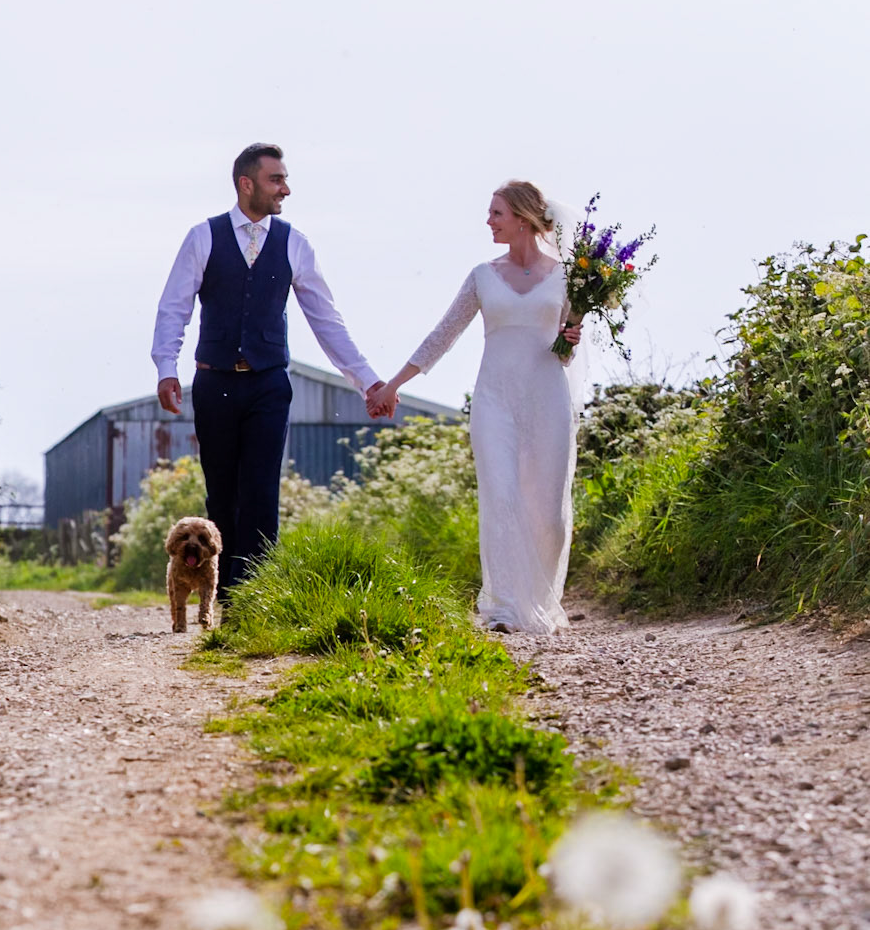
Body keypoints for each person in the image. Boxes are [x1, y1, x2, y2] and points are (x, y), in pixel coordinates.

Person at [153, 144, 382, 596]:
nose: (286, 189)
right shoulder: (204, 237)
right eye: (277, 179)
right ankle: (222, 592)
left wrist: (367, 380)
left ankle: (254, 597)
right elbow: (173, 307)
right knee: (222, 492)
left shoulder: (294, 242)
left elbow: (325, 319)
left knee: (261, 490)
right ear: (247, 183)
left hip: (269, 383)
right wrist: (167, 366)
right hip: (215, 380)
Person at [367, 180, 584, 634]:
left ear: (523, 219)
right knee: (501, 498)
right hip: (494, 402)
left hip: (548, 399)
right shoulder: (482, 276)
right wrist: (392, 384)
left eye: (496, 214)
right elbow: (443, 334)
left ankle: (539, 601)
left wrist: (571, 337)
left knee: (550, 515)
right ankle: (503, 608)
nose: (488, 221)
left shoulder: (570, 278)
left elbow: (567, 346)